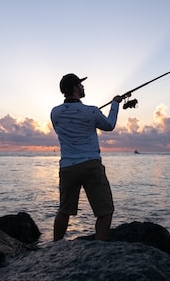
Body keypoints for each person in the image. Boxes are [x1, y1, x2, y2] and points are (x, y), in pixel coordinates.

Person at [51, 73, 123, 241]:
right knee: (105, 212)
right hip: (91, 165)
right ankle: (99, 249)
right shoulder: (91, 111)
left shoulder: (54, 113)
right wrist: (115, 104)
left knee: (64, 210)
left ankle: (55, 247)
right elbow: (109, 125)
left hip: (68, 168)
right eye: (81, 85)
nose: (83, 87)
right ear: (75, 88)